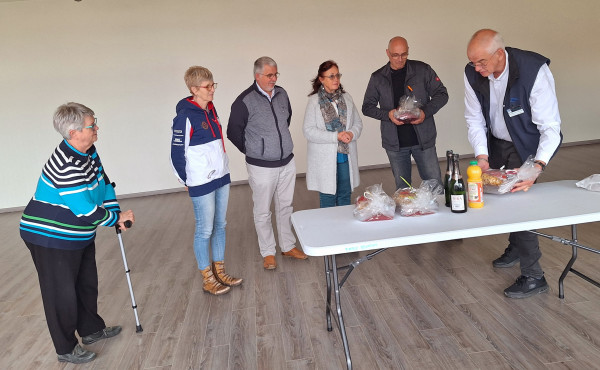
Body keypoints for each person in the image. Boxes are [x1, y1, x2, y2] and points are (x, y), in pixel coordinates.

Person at [19, 102, 135, 364]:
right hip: (49, 237)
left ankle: (91, 330)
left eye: (95, 123)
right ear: (73, 133)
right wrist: (116, 219)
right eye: (91, 125)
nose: (96, 129)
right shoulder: (65, 164)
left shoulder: (89, 150)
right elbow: (85, 210)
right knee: (61, 293)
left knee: (85, 282)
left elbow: (104, 182)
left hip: (77, 233)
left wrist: (115, 210)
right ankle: (66, 348)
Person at [464, 29, 562, 298]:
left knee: (519, 206)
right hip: (495, 143)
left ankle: (534, 276)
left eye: (482, 62)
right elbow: (474, 118)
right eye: (473, 62)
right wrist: (482, 156)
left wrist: (536, 167)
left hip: (526, 147)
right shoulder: (473, 72)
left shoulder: (534, 71)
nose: (477, 68)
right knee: (500, 198)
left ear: (499, 54)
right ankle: (516, 247)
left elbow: (551, 127)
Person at [227, 56, 308, 270]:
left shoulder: (282, 94)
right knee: (262, 211)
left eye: (275, 74)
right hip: (261, 166)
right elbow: (233, 131)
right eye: (269, 75)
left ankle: (287, 246)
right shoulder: (244, 101)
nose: (273, 79)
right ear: (257, 76)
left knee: (285, 206)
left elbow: (286, 119)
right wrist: (253, 149)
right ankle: (268, 252)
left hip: (287, 162)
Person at [171, 66, 242, 295]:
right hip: (201, 182)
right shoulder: (184, 116)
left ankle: (220, 271)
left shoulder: (211, 109)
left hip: (221, 176)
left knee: (220, 225)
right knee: (204, 229)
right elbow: (176, 154)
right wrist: (186, 179)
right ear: (194, 89)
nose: (212, 90)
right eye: (207, 87)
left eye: (213, 85)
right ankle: (207, 277)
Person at [362, 36, 448, 190]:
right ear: (387, 53)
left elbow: (442, 94)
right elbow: (367, 107)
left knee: (435, 187)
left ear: (408, 51)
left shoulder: (423, 70)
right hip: (395, 144)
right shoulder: (378, 77)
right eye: (395, 55)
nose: (400, 59)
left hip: (424, 140)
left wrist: (425, 112)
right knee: (403, 190)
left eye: (404, 54)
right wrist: (388, 115)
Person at [303, 60, 363, 208]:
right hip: (325, 159)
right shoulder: (314, 101)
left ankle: (344, 229)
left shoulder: (347, 98)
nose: (336, 79)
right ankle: (328, 230)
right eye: (331, 76)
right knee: (328, 199)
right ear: (321, 79)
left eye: (337, 75)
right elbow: (308, 131)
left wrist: (351, 133)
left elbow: (358, 123)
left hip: (345, 157)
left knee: (344, 196)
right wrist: (335, 136)